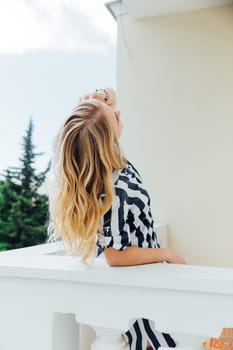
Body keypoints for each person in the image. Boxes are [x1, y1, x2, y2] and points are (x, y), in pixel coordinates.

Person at [49, 87, 186, 349]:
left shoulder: (112, 162)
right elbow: (115, 255)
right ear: (107, 139)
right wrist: (166, 254)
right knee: (160, 338)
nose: (118, 112)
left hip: (152, 277)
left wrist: (102, 103)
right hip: (143, 281)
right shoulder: (116, 190)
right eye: (114, 116)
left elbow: (102, 114)